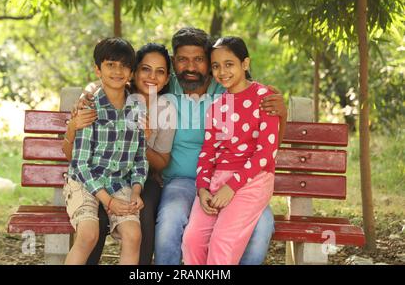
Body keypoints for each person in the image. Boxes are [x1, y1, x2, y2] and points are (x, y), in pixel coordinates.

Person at [154, 27, 287, 265]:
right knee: (174, 225)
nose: (191, 67)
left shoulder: (225, 89)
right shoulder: (165, 85)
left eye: (199, 60)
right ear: (174, 62)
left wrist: (282, 113)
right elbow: (123, 85)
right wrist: (90, 93)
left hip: (242, 182)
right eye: (183, 60)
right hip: (187, 182)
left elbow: (266, 149)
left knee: (262, 226)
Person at [63, 43, 177, 264]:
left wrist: (136, 190)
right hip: (87, 182)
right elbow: (80, 165)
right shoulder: (91, 107)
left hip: (120, 182)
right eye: (110, 66)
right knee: (88, 234)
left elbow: (139, 161)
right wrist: (108, 200)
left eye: (123, 66)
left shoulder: (138, 110)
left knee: (134, 235)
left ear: (130, 71)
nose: (117, 71)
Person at [182, 36, 279, 264]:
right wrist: (203, 188)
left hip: (252, 179)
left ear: (245, 64)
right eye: (216, 66)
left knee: (222, 242)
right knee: (192, 240)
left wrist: (231, 187)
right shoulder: (217, 106)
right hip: (217, 180)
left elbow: (266, 153)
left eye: (229, 64)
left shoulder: (264, 98)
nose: (222, 71)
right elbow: (208, 152)